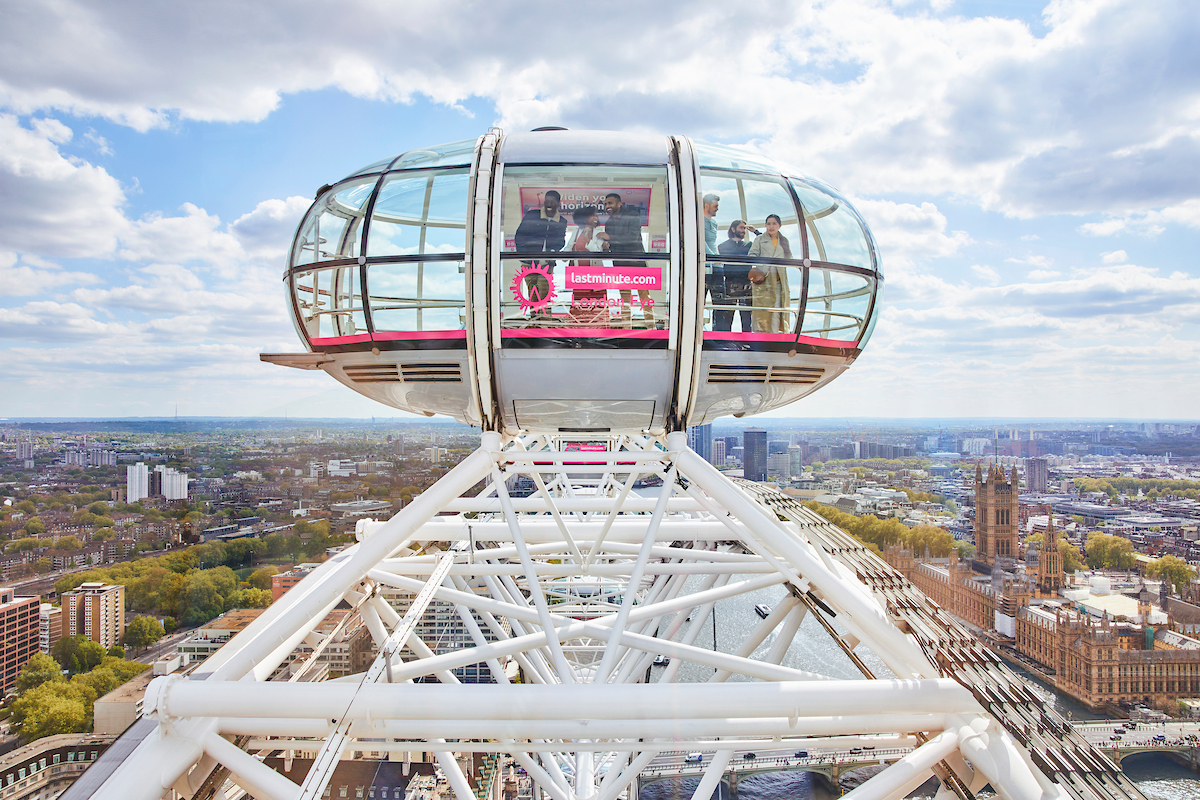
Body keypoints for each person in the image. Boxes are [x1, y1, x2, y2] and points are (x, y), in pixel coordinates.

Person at [596, 192, 652, 326]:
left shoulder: (631, 215)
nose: (607, 206)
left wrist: (610, 238)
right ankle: (626, 328)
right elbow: (612, 246)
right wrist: (605, 246)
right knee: (624, 299)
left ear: (619, 203)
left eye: (610, 203)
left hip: (636, 262)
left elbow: (633, 237)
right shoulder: (608, 222)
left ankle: (652, 327)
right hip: (620, 264)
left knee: (644, 297)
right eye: (605, 204)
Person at [514, 190, 568, 318]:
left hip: (547, 263)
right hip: (528, 261)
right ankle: (536, 322)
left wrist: (554, 250)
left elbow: (561, 242)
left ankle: (543, 321)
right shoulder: (532, 215)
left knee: (543, 291)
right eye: (547, 201)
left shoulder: (561, 221)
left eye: (552, 202)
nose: (549, 204)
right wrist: (523, 254)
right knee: (533, 292)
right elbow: (519, 235)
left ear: (558, 204)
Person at [746, 214, 792, 333]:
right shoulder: (760, 239)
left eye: (774, 223)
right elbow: (752, 255)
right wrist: (761, 264)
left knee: (777, 309)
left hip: (779, 281)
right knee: (763, 311)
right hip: (764, 281)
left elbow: (789, 258)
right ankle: (761, 337)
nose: (771, 226)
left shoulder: (784, 241)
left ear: (779, 225)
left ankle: (775, 334)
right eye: (768, 224)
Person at [566, 208, 608, 326]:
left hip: (595, 277)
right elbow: (569, 247)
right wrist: (562, 254)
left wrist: (588, 240)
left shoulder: (598, 232)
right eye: (592, 216)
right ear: (584, 218)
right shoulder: (576, 231)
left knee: (597, 306)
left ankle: (598, 332)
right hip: (579, 276)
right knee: (580, 305)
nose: (596, 218)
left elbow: (598, 253)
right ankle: (579, 331)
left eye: (596, 216)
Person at [716, 219, 757, 332]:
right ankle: (726, 342)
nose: (744, 230)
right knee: (727, 316)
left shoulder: (749, 245)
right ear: (733, 229)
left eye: (745, 228)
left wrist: (756, 231)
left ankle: (747, 342)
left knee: (747, 318)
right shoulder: (722, 247)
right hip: (730, 282)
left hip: (746, 283)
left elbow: (764, 242)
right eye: (741, 228)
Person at [701, 193, 725, 331]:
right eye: (715, 206)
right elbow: (701, 242)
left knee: (720, 301)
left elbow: (713, 243)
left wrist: (719, 259)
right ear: (706, 206)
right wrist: (713, 258)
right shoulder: (698, 221)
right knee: (700, 301)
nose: (717, 209)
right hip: (705, 266)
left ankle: (719, 332)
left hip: (716, 267)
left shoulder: (714, 223)